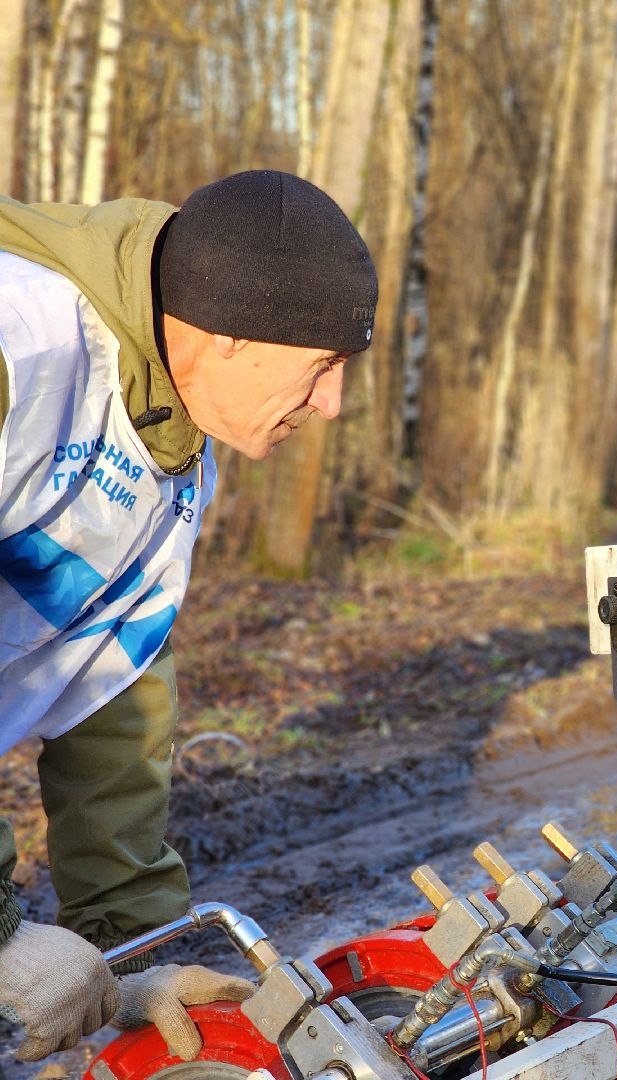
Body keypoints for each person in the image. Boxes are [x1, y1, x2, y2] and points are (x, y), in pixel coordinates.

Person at [0, 170, 378, 1066]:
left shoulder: (171, 447)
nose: (333, 403)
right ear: (229, 333)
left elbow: (112, 699)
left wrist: (136, 964)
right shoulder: (23, 346)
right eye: (321, 365)